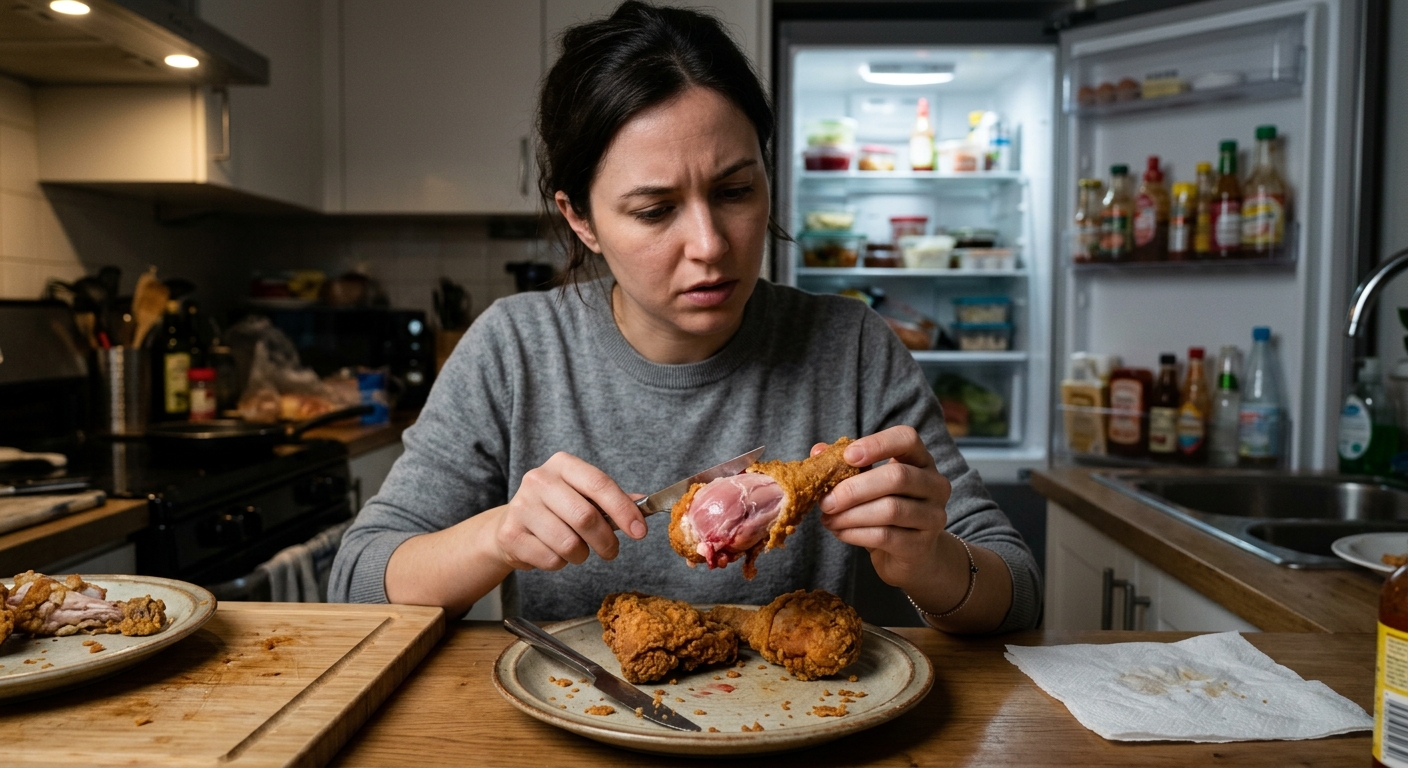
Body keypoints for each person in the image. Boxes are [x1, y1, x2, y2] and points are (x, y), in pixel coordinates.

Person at [329, 1, 1041, 634]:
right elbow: (356, 584)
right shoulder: (515, 349)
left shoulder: (850, 346)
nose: (709, 245)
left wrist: (931, 560)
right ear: (579, 218)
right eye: (653, 210)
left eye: (735, 190)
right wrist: (496, 538)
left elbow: (1021, 594)